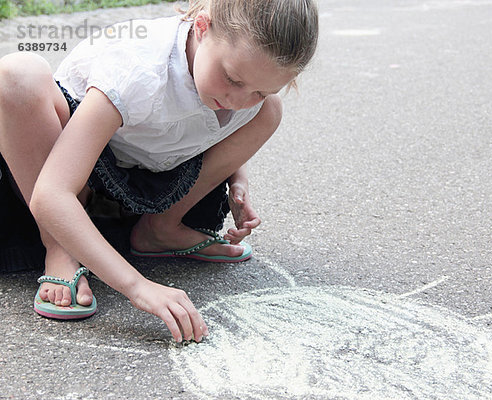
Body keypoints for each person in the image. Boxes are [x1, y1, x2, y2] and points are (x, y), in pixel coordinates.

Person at [0, 0, 318, 341]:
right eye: (232, 79)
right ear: (201, 26)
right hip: (66, 173)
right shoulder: (139, 69)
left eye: (260, 89)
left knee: (269, 111)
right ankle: (61, 248)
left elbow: (214, 122)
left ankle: (160, 228)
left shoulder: (244, 89)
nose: (240, 100)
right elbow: (51, 194)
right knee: (18, 75)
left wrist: (237, 178)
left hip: (149, 176)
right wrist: (137, 286)